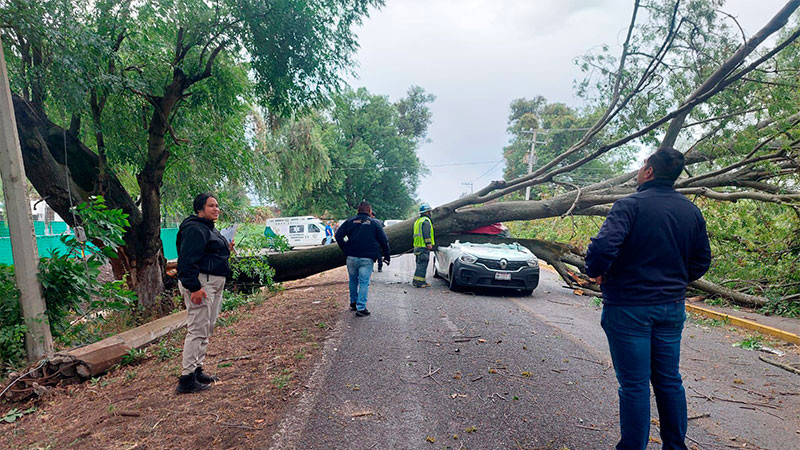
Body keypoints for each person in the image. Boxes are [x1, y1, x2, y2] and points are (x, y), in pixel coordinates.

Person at [585, 148, 711, 450]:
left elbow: (603, 248)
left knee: (635, 385)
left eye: (643, 165)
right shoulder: (690, 211)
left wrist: (598, 273)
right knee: (669, 381)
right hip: (671, 308)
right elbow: (702, 261)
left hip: (629, 307)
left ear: (650, 172)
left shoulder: (629, 205)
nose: (641, 169)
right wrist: (674, 281)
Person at [175, 193, 234, 394]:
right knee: (197, 329)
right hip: (202, 283)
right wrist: (194, 287)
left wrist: (226, 249)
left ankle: (197, 369)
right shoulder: (194, 228)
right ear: (200, 208)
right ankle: (186, 379)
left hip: (214, 281)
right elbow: (186, 261)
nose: (216, 209)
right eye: (211, 206)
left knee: (207, 327)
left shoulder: (208, 228)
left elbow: (208, 252)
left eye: (217, 205)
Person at [335, 201, 390, 317]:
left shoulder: (350, 221)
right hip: (367, 258)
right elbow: (384, 241)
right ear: (370, 211)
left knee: (353, 280)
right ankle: (361, 308)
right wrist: (387, 256)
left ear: (358, 211)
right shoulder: (375, 223)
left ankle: (353, 303)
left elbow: (338, 236)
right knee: (364, 282)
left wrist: (345, 248)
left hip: (351, 257)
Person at [412, 202, 435, 287]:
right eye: (429, 211)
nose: (430, 213)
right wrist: (428, 243)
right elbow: (426, 233)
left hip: (417, 246)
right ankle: (419, 282)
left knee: (420, 264)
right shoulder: (426, 221)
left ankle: (420, 281)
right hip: (423, 247)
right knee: (422, 264)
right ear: (427, 212)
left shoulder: (418, 221)